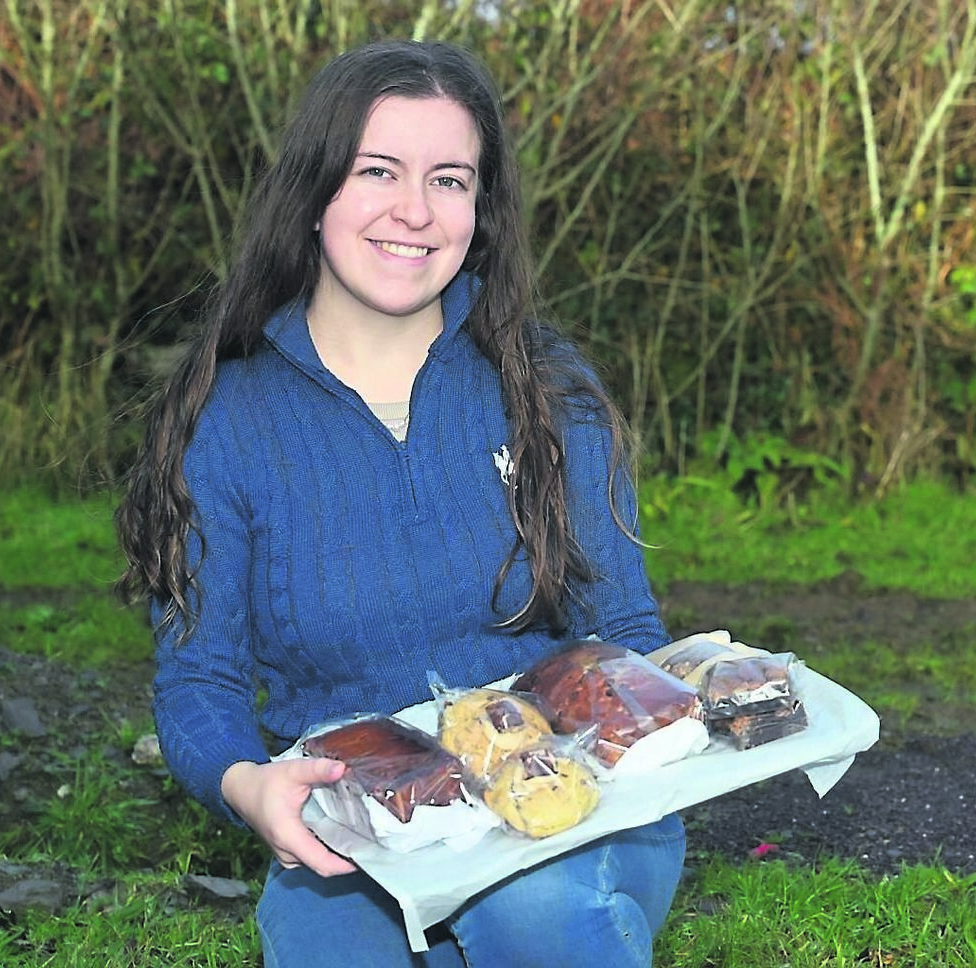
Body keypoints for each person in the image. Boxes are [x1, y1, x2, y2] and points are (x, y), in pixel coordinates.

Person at [115, 38, 684, 968]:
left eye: (450, 180)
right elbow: (199, 682)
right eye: (378, 170)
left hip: (569, 799)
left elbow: (624, 627)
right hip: (360, 826)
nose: (414, 212)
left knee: (531, 912)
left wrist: (691, 711)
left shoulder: (546, 385)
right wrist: (248, 784)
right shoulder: (226, 420)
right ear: (314, 191)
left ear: (481, 209)